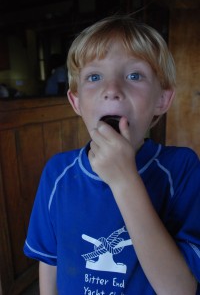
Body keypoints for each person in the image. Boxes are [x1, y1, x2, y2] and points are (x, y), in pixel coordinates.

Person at [24, 15, 200, 294]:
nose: (112, 90)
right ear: (76, 101)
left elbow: (181, 289)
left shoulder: (181, 168)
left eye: (134, 75)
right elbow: (50, 260)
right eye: (94, 77)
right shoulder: (57, 172)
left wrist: (124, 181)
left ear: (162, 99)